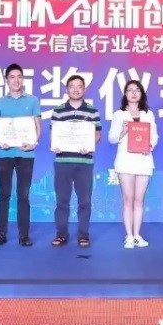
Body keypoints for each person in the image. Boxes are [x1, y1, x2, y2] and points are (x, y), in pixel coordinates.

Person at [0, 63, 42, 247]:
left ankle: (24, 235)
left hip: (26, 154)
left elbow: (38, 127)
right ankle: (1, 234)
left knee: (23, 195)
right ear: (7, 80)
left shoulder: (33, 101)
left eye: (19, 76)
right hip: (4, 153)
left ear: (23, 79)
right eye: (12, 77)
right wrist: (0, 140)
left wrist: (33, 143)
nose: (16, 80)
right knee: (3, 194)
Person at [50, 74, 102, 247]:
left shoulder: (92, 110)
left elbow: (97, 134)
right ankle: (61, 234)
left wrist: (90, 144)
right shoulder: (58, 110)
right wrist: (56, 145)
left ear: (84, 89)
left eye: (79, 86)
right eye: (72, 86)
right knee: (62, 201)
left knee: (85, 201)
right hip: (62, 161)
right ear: (67, 89)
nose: (76, 89)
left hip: (84, 162)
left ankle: (83, 235)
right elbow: (54, 134)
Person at [109, 79, 159, 249]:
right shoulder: (119, 114)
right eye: (130, 90)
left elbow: (154, 135)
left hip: (144, 160)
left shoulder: (148, 114)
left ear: (141, 94)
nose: (133, 93)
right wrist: (123, 132)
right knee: (128, 199)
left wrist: (149, 146)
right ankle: (129, 236)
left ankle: (137, 234)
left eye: (137, 90)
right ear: (125, 94)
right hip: (125, 160)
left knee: (139, 200)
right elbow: (111, 138)